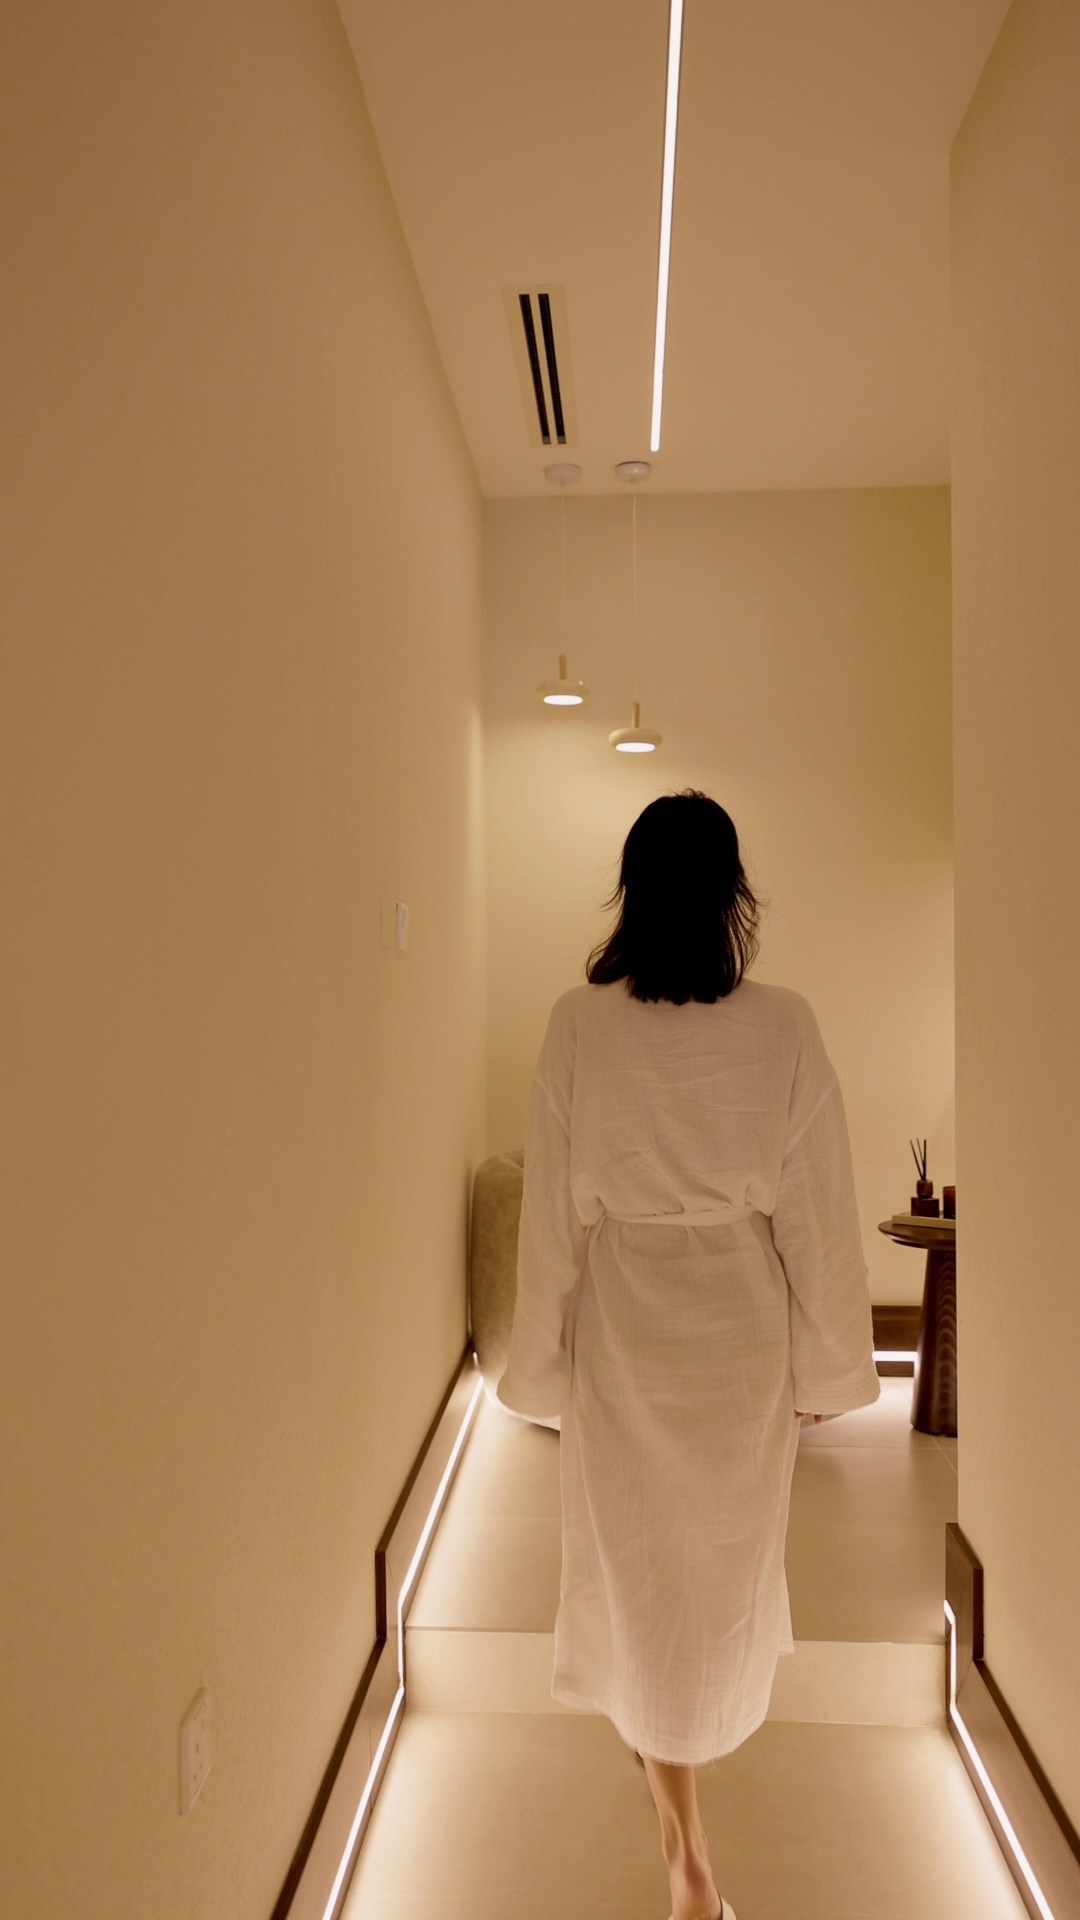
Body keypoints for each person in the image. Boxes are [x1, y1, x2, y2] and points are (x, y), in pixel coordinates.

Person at [496, 790, 881, 1920]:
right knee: (716, 1577)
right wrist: (824, 1368)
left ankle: (687, 1856)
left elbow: (550, 1219)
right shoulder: (784, 1026)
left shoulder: (579, 1023)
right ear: (728, 897)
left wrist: (542, 1369)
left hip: (625, 1330)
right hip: (740, 1340)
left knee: (636, 1578)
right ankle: (689, 1857)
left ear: (631, 891)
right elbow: (818, 1210)